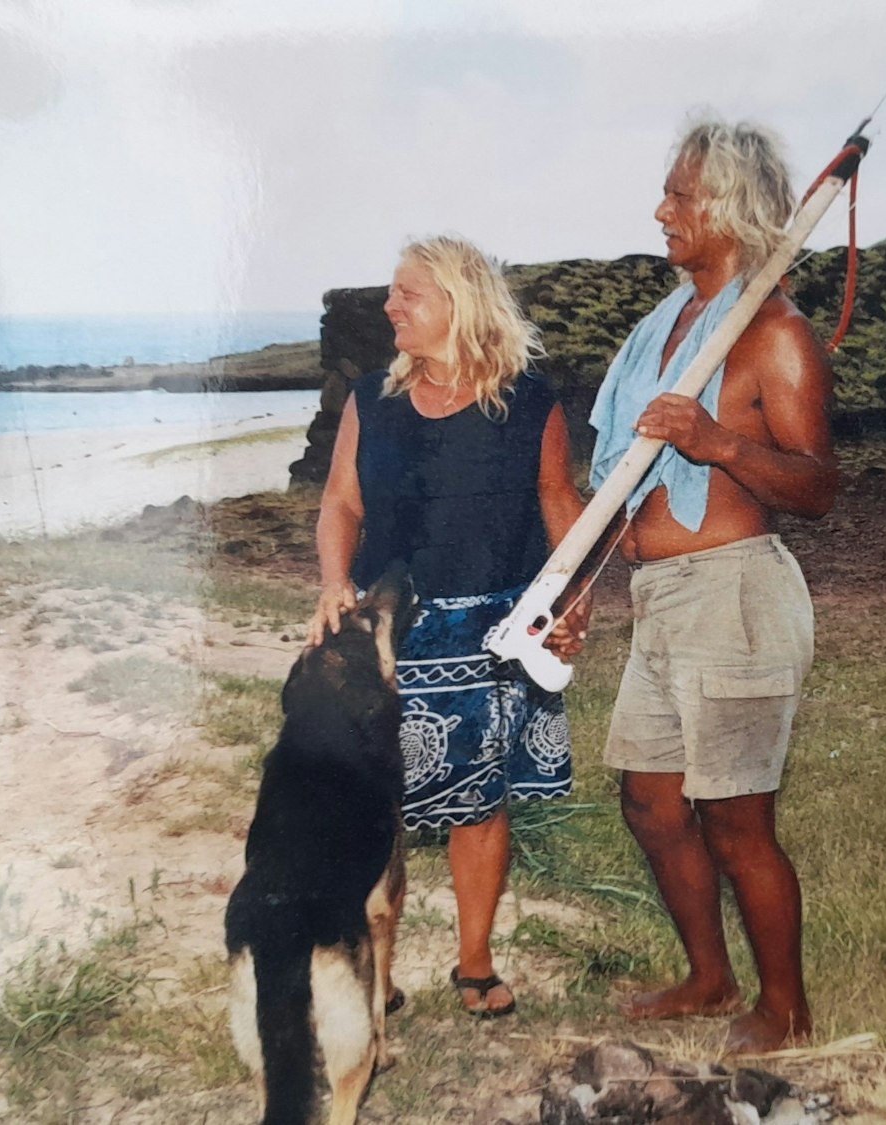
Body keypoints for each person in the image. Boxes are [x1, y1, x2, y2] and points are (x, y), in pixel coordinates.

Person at [593, 118, 838, 1053]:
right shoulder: (663, 335)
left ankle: (786, 1007)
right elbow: (620, 478)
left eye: (681, 195)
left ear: (730, 207)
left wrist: (719, 443)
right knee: (650, 803)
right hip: (658, 596)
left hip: (734, 596)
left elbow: (817, 487)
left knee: (738, 821)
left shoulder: (776, 334)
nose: (662, 211)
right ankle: (708, 977)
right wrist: (576, 585)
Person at [307, 235, 588, 1019]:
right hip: (392, 627)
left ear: (460, 304)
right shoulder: (371, 399)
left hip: (498, 631)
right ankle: (377, 972)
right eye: (392, 292)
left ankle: (475, 963)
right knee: (375, 805)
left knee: (482, 803)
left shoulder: (529, 401)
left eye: (409, 293)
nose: (389, 305)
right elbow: (341, 502)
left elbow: (559, 503)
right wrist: (333, 581)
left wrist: (573, 601)